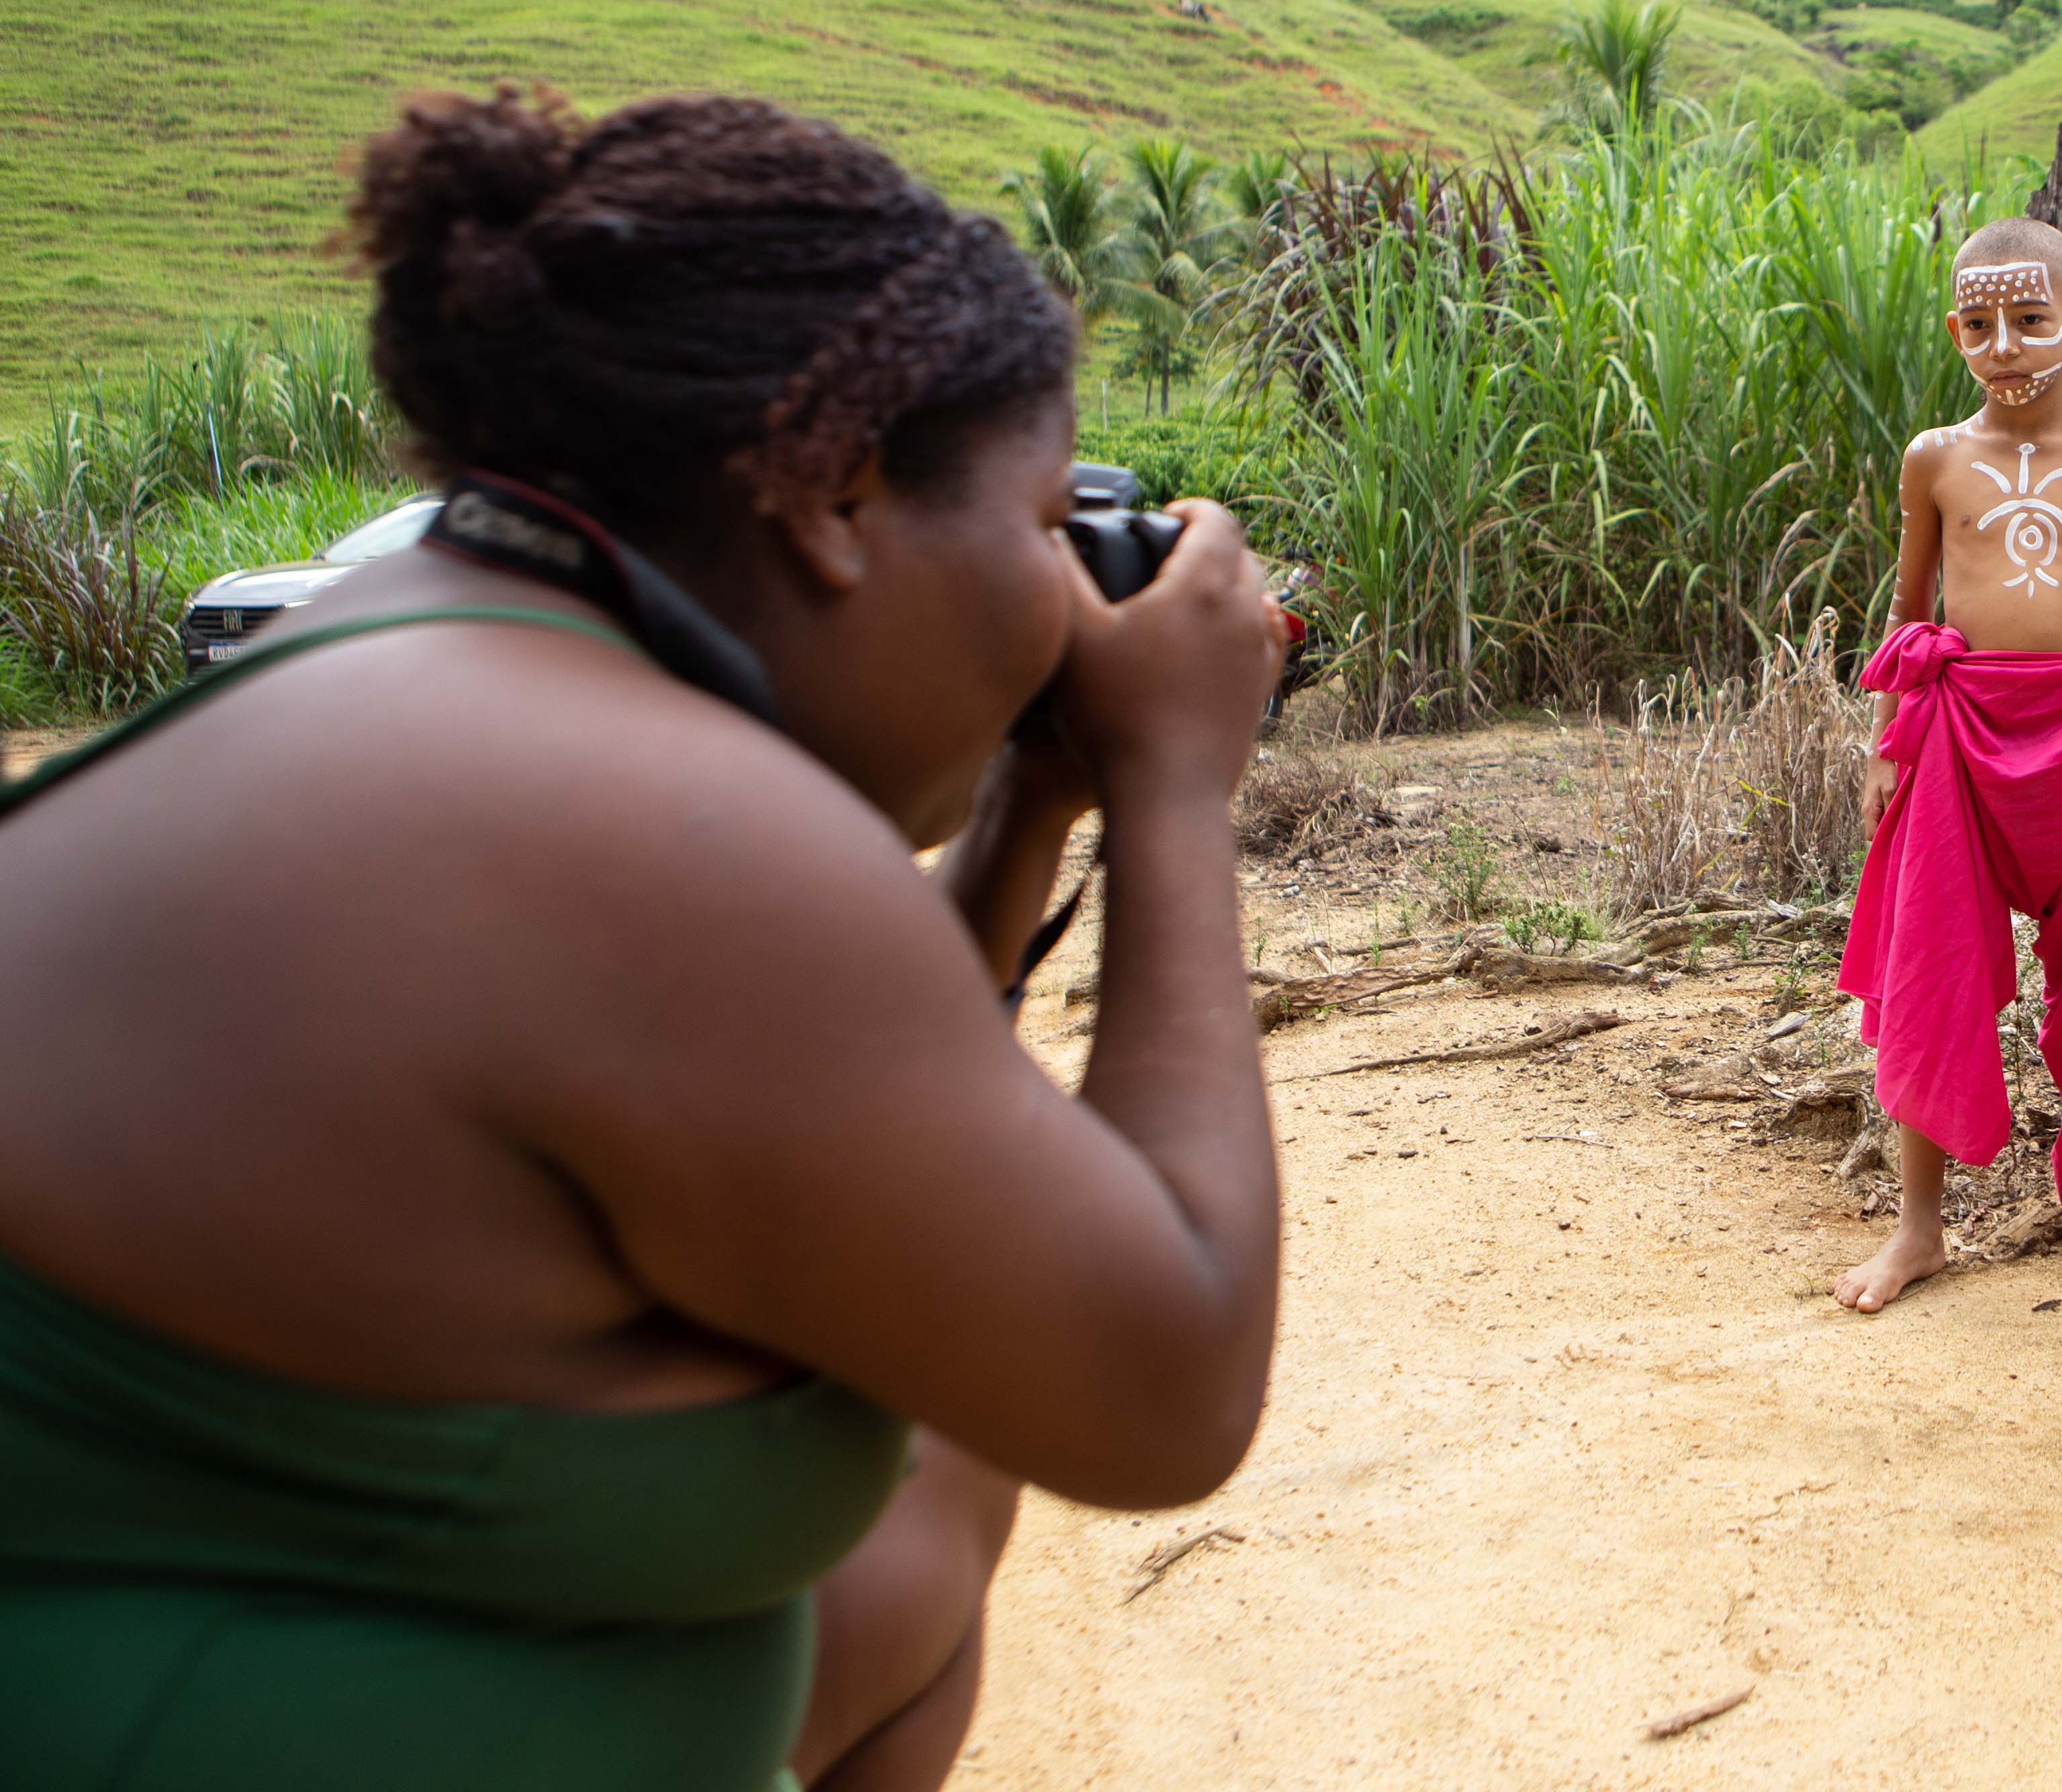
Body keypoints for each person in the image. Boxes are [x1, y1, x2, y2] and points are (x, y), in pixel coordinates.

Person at [0, 88, 1289, 1791]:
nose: (1066, 599)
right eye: (1045, 525)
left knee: (916, 1553)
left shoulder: (409, 664)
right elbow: (1163, 1381)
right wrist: (1178, 783)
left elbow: (881, 1169)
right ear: (836, 491)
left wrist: (1022, 815)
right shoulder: (650, 827)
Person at [1831, 218, 2062, 1313]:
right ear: (1954, 331)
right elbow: (1907, 613)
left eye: (2032, 320)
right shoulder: (1934, 458)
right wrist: (1888, 745)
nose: (2006, 345)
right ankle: (1919, 1229)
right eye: (1981, 324)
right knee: (1931, 968)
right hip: (1955, 739)